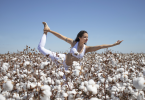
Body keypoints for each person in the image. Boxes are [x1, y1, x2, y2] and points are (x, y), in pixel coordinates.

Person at [37, 22, 123, 70]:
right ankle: (46, 31)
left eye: (87, 37)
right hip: (61, 58)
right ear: (80, 37)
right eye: (85, 37)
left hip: (69, 69)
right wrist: (50, 31)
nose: (86, 39)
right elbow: (60, 36)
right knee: (40, 48)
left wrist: (114, 44)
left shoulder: (87, 49)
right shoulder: (73, 43)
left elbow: (101, 46)